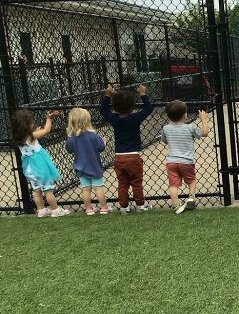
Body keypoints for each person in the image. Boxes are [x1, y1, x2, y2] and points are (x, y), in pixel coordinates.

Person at [100, 83, 153, 214]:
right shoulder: (134, 118)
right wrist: (143, 94)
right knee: (136, 182)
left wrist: (107, 95)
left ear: (115, 107)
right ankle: (140, 205)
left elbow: (103, 110)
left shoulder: (114, 119)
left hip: (119, 157)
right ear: (132, 106)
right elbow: (148, 109)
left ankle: (124, 207)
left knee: (122, 183)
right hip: (134, 156)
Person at [10, 108, 70, 217]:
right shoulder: (31, 136)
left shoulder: (19, 138)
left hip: (29, 168)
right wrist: (49, 119)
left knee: (36, 190)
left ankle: (41, 210)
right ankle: (55, 210)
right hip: (40, 166)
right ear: (26, 125)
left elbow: (32, 139)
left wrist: (36, 131)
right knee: (48, 189)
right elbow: (46, 130)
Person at [161, 100, 208, 214]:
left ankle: (176, 205)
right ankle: (191, 198)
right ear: (184, 115)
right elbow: (204, 133)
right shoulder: (190, 127)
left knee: (173, 185)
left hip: (171, 162)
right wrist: (203, 119)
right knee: (191, 180)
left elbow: (164, 140)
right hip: (187, 161)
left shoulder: (166, 128)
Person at [65, 107, 110, 215]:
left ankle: (89, 209)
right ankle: (104, 207)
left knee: (86, 189)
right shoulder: (93, 136)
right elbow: (101, 148)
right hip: (94, 167)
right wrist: (104, 141)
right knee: (98, 188)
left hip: (80, 167)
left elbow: (69, 149)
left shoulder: (71, 138)